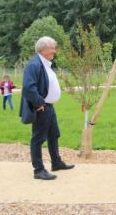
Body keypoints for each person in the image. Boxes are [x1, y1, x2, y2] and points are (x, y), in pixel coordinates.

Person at [20, 36, 74, 180]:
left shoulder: (45, 64)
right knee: (38, 138)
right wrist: (39, 103)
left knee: (53, 134)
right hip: (42, 107)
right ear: (42, 49)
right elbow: (28, 88)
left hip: (49, 107)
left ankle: (56, 162)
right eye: (52, 48)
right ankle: (38, 170)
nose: (54, 51)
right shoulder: (34, 64)